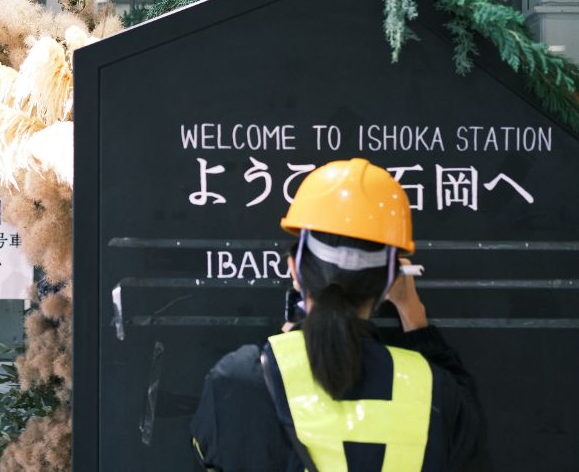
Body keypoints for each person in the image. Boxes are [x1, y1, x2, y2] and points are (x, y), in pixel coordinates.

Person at [191, 158, 489, 471]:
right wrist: (416, 321)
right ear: (390, 281)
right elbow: (471, 442)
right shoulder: (436, 393)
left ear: (295, 270)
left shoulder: (238, 380)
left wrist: (285, 350)